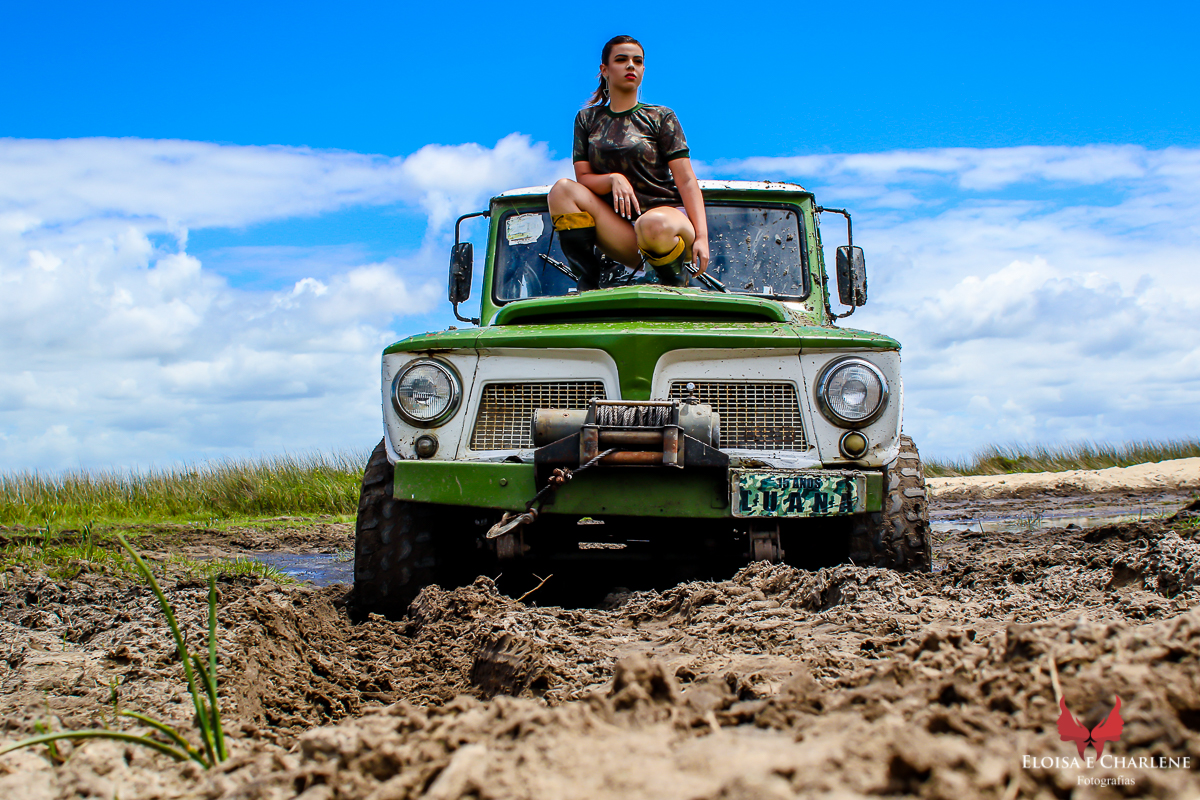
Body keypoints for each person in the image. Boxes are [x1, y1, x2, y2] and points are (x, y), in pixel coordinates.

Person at [547, 35, 709, 291]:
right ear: (604, 70)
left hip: (667, 224)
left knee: (651, 224)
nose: (631, 65)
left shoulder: (661, 117)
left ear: (643, 69)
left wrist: (702, 236)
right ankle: (588, 283)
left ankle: (672, 282)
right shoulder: (587, 120)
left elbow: (686, 179)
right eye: (621, 60)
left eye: (638, 61)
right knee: (562, 191)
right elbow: (583, 178)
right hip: (621, 233)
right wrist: (614, 179)